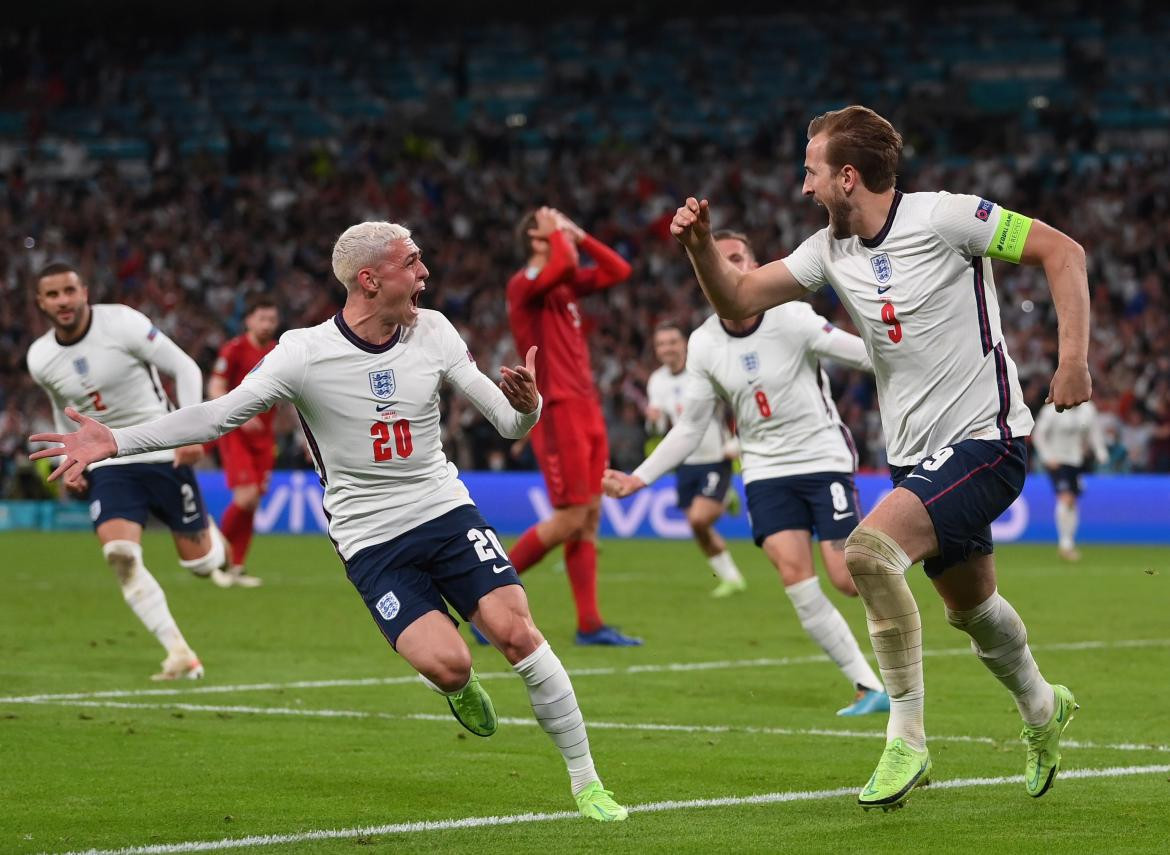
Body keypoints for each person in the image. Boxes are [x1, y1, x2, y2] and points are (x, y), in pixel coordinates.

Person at [31, 222, 629, 822]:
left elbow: (507, 423)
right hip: (369, 537)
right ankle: (457, 687)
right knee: (451, 664)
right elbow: (217, 417)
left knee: (518, 633)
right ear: (370, 280)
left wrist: (529, 408)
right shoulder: (304, 353)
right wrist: (117, 440)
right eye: (412, 263)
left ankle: (587, 784)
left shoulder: (437, 332)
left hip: (443, 509)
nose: (425, 274)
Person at [669, 105, 1090, 810]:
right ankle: (1045, 709)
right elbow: (739, 294)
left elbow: (1064, 252)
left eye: (811, 173)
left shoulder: (949, 217)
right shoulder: (827, 250)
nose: (803, 188)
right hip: (914, 455)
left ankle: (907, 738)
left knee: (866, 554)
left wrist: (1072, 359)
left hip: (989, 438)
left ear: (848, 176)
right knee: (973, 610)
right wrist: (701, 247)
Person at [605, 231, 889, 717]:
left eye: (738, 257)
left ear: (757, 268)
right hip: (763, 470)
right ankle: (868, 686)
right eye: (718, 259)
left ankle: (905, 572)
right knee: (795, 577)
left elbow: (865, 355)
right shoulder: (704, 344)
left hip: (821, 456)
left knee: (844, 576)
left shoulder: (793, 316)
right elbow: (691, 427)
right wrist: (641, 477)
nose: (729, 265)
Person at [26, 262, 230, 681]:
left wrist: (191, 430)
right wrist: (67, 458)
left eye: (69, 290)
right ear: (40, 302)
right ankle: (179, 653)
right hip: (109, 461)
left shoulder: (123, 323)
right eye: (53, 294)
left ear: (84, 291)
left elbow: (186, 367)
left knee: (202, 566)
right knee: (120, 555)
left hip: (161, 448)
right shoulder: (40, 357)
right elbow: (60, 409)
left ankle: (214, 541)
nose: (63, 301)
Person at [504, 206, 641, 646]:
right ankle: (481, 594)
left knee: (589, 517)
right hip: (558, 407)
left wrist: (579, 235)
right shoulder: (524, 285)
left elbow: (619, 269)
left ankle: (589, 624)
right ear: (533, 238)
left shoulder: (562, 284)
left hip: (586, 405)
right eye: (550, 227)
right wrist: (560, 235)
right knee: (570, 518)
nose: (559, 231)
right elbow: (562, 262)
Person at [645, 318, 746, 598]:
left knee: (700, 519)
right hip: (685, 462)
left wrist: (736, 442)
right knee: (696, 526)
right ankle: (732, 578)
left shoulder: (702, 373)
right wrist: (652, 421)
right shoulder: (657, 381)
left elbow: (739, 404)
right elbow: (658, 427)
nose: (667, 348)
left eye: (672, 342)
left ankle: (725, 497)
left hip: (716, 456)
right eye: (661, 344)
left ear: (684, 344)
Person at [208, 294, 281, 587]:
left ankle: (236, 567)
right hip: (236, 434)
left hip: (265, 438)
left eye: (272, 320)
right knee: (246, 497)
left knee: (252, 504)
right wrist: (239, 414)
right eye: (262, 318)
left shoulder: (279, 351)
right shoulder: (235, 349)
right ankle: (215, 551)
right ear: (249, 320)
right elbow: (215, 386)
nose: (267, 325)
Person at [1032, 400, 1108, 561]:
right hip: (1057, 461)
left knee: (1072, 502)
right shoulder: (1051, 410)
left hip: (1076, 461)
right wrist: (1047, 456)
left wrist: (1100, 451)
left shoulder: (1088, 409)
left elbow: (1095, 432)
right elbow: (1039, 434)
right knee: (1065, 498)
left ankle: (1069, 542)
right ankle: (1065, 545)